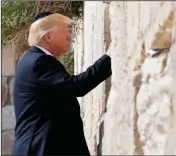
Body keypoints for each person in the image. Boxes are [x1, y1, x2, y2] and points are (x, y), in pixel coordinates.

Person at [12, 11, 112, 156]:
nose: (69, 37)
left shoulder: (34, 59)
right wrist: (110, 57)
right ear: (48, 36)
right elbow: (75, 86)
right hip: (42, 149)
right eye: (66, 32)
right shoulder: (38, 62)